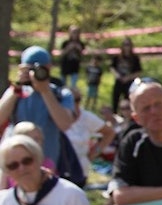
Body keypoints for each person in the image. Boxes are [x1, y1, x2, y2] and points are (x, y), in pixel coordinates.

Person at [0, 47, 76, 178]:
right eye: (30, 69)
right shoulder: (15, 92)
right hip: (13, 163)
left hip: (46, 162)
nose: (35, 73)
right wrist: (17, 87)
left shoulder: (61, 94)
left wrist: (45, 91)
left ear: (49, 67)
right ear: (21, 68)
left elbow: (65, 124)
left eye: (41, 68)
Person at [0, 133, 89, 205]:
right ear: (7, 171)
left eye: (27, 161)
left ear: (39, 159)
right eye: (13, 165)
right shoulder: (4, 202)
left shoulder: (71, 194)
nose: (22, 168)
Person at [64, 88, 116, 179]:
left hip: (79, 169)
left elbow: (110, 133)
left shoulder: (87, 117)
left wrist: (92, 155)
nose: (74, 103)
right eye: (70, 100)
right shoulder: (53, 116)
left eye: (77, 100)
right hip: (57, 167)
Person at [110, 37, 144, 114]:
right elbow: (112, 67)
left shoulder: (135, 58)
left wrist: (128, 78)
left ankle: (127, 116)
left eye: (128, 45)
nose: (126, 47)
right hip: (119, 81)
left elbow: (139, 71)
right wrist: (117, 75)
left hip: (129, 82)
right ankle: (115, 114)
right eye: (125, 45)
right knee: (115, 99)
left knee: (128, 100)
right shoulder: (117, 57)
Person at [59, 25, 85, 91]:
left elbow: (82, 55)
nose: (75, 34)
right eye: (73, 32)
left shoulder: (81, 43)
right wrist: (68, 48)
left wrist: (79, 49)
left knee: (73, 86)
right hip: (65, 66)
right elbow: (61, 54)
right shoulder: (65, 43)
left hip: (75, 67)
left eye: (76, 32)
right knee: (63, 86)